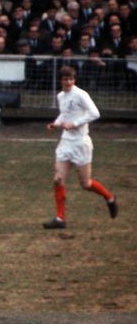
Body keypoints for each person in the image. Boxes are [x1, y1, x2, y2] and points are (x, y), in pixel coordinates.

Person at [43, 66, 118, 229]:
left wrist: (75, 124)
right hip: (66, 142)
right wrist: (56, 124)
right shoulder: (60, 96)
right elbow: (64, 113)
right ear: (61, 81)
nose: (68, 82)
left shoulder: (81, 94)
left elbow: (95, 113)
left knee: (86, 184)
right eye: (65, 79)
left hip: (81, 143)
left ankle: (109, 198)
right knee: (58, 179)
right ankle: (60, 219)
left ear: (74, 80)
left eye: (70, 79)